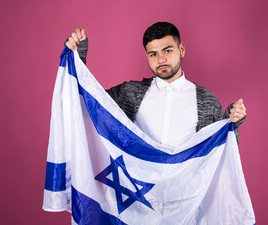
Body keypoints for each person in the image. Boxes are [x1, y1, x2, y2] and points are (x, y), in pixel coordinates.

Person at [65, 22, 246, 146]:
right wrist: (77, 58)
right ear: (147, 56)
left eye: (167, 50)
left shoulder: (207, 100)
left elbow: (223, 154)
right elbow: (86, 102)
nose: (161, 59)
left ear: (181, 49)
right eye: (153, 54)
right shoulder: (128, 94)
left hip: (188, 200)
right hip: (137, 199)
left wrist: (230, 123)